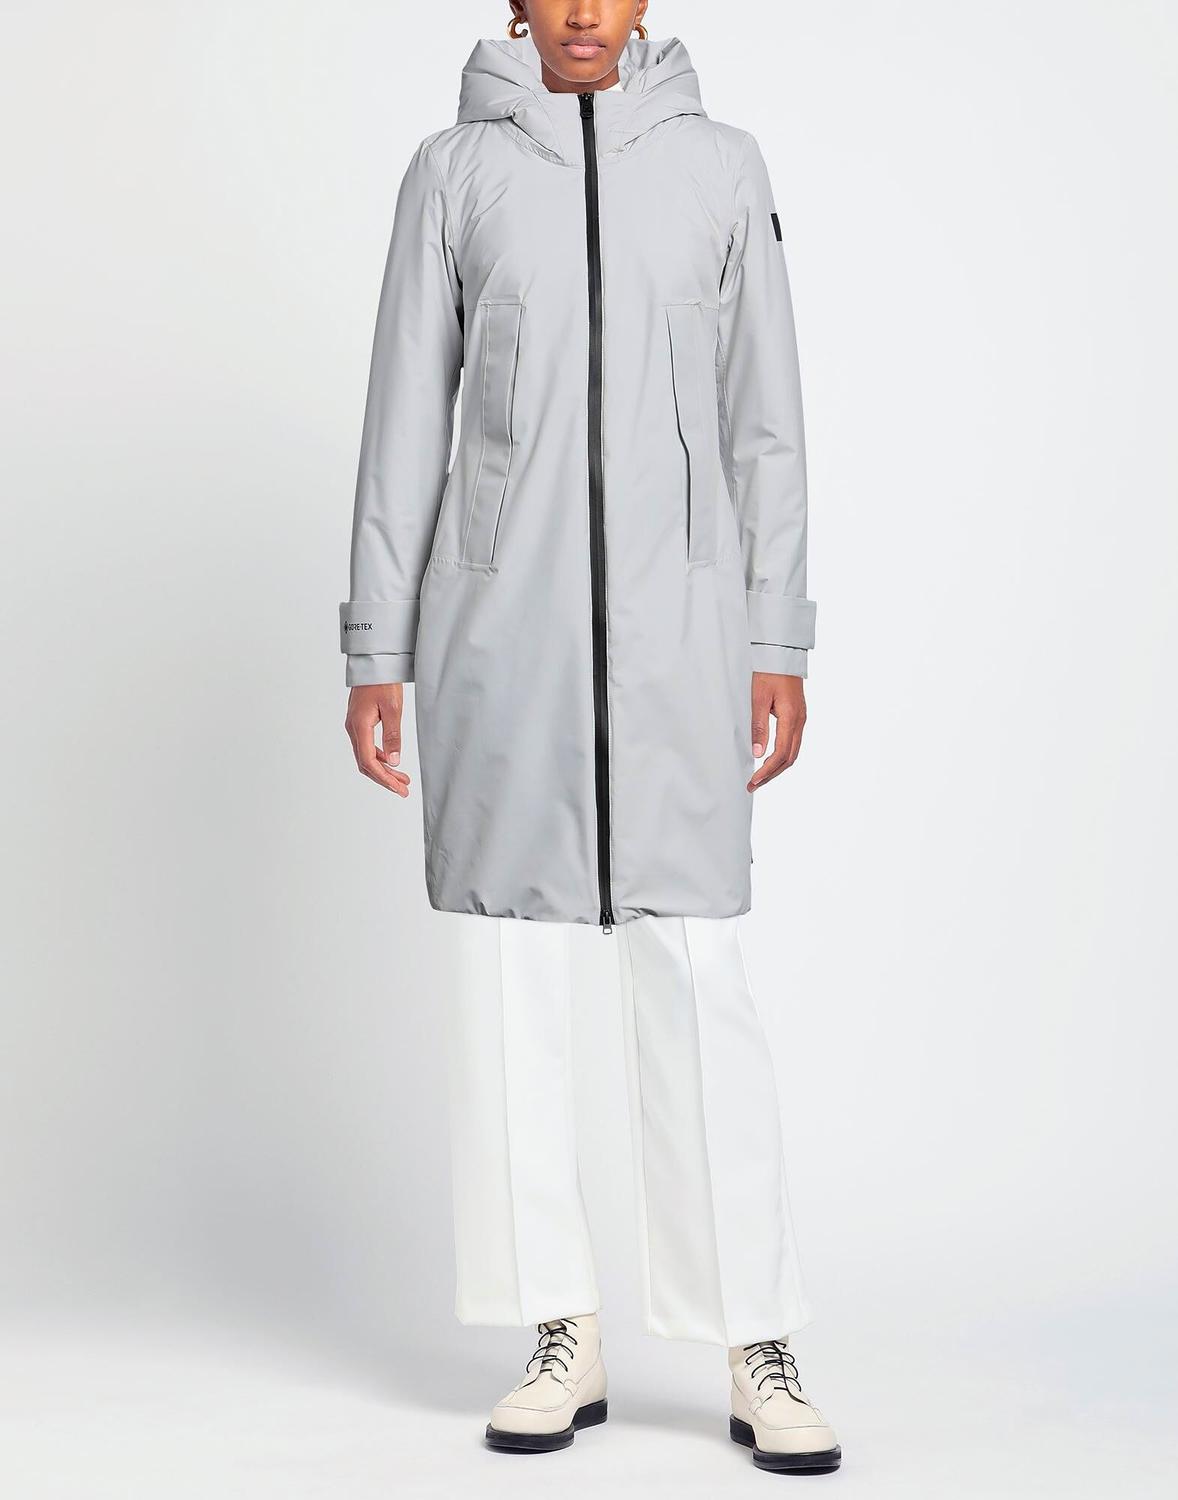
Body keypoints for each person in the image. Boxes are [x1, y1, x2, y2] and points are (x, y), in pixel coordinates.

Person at [340, 0, 839, 1475]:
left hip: (681, 641)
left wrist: (776, 636)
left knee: (697, 977)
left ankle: (754, 1338)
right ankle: (559, 1328)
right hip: (503, 641)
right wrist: (377, 646)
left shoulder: (721, 168)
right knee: (512, 987)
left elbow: (766, 423)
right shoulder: (452, 174)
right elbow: (400, 424)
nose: (579, 11)